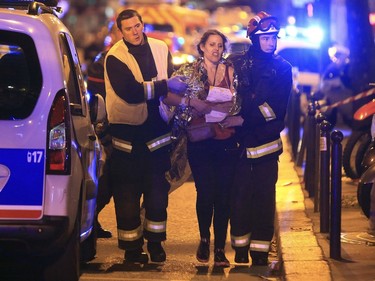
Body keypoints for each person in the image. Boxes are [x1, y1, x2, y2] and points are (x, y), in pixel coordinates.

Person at [104, 9, 188, 264]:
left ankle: (155, 244)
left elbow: (170, 81)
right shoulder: (115, 56)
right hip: (127, 139)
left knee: (157, 195)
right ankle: (131, 249)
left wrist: (186, 101)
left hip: (157, 134)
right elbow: (130, 92)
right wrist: (165, 86)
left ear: (142, 24)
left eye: (138, 26)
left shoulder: (161, 48)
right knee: (127, 196)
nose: (135, 32)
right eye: (128, 29)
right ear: (121, 31)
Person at [222, 11, 293, 266]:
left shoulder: (283, 69)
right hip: (239, 146)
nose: (270, 42)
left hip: (265, 147)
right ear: (254, 38)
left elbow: (276, 111)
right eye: (265, 38)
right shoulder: (236, 63)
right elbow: (228, 99)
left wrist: (244, 117)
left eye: (273, 37)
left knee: (264, 201)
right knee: (238, 198)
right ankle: (240, 248)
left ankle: (260, 252)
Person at [171, 29, 239, 267]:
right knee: (206, 192)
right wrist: (191, 103)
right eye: (211, 44)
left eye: (220, 45)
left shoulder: (232, 71)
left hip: (227, 140)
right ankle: (204, 239)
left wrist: (235, 114)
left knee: (223, 194)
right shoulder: (190, 72)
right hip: (200, 140)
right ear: (201, 47)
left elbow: (242, 102)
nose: (216, 49)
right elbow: (169, 96)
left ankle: (220, 248)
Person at [87, 20, 123, 239]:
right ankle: (91, 221)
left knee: (114, 181)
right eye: (123, 30)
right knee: (105, 181)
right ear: (114, 34)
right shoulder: (102, 61)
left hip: (127, 128)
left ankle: (93, 221)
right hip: (106, 129)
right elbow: (100, 99)